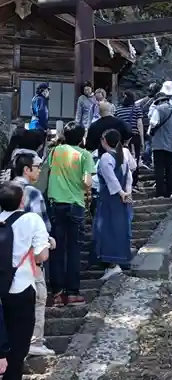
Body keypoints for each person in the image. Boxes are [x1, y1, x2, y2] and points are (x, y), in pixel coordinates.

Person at [0, 182, 49, 380]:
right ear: (22, 201)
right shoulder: (31, 219)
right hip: (20, 287)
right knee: (19, 346)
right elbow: (42, 255)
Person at [12, 153, 56, 357]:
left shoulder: (6, 189)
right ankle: (35, 341)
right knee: (39, 298)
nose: (40, 169)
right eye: (38, 166)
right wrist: (48, 241)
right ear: (27, 169)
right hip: (30, 259)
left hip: (9, 258)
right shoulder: (32, 193)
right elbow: (41, 227)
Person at [48, 121, 95, 306]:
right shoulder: (85, 155)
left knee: (57, 249)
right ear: (82, 137)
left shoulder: (55, 152)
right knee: (74, 249)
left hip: (56, 203)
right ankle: (73, 292)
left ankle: (57, 294)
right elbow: (88, 183)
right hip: (75, 204)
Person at [92, 129, 132, 280]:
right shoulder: (123, 156)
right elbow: (128, 177)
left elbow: (110, 178)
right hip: (121, 200)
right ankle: (117, 262)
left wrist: (121, 193)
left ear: (104, 141)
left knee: (106, 231)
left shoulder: (106, 157)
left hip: (109, 199)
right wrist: (126, 193)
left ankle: (111, 264)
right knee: (119, 231)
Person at [148, 89, 172, 198]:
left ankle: (160, 193)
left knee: (159, 169)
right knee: (171, 168)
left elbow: (153, 123)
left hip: (160, 144)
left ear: (158, 101)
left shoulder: (158, 109)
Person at [115, 91, 144, 189]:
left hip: (122, 138)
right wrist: (142, 139)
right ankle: (134, 181)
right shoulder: (136, 108)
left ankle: (124, 179)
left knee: (123, 158)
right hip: (134, 137)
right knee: (135, 158)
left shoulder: (118, 109)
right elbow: (139, 124)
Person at [137, 82, 162, 168]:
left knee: (144, 142)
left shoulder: (142, 101)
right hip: (151, 123)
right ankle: (147, 160)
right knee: (149, 143)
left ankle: (144, 159)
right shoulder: (157, 101)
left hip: (142, 123)